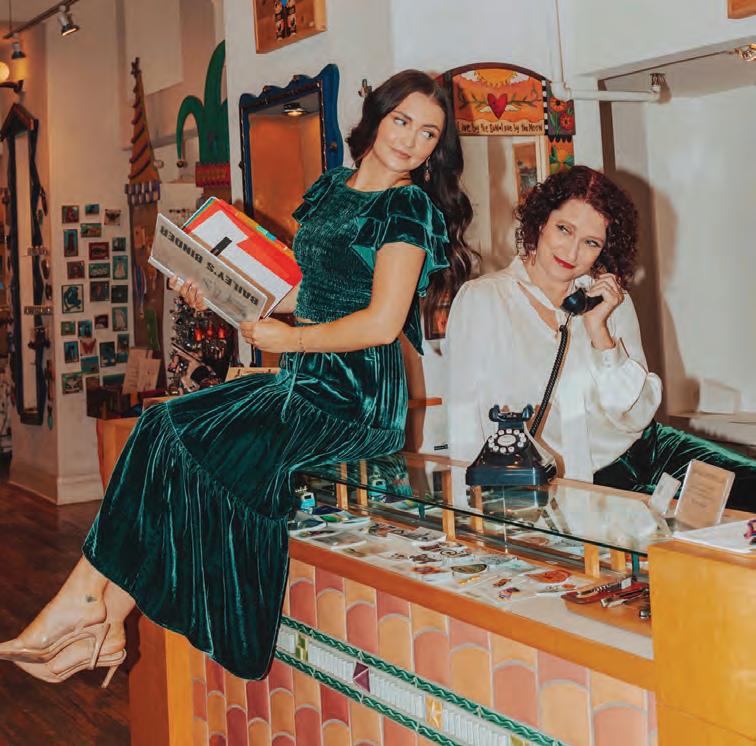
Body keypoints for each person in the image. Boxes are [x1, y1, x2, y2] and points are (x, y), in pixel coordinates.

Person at [0, 69, 474, 683]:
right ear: (377, 118)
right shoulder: (332, 188)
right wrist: (217, 292)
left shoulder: (406, 207)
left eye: (428, 133)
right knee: (161, 427)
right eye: (402, 121)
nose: (411, 140)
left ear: (436, 148)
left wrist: (288, 338)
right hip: (300, 378)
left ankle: (94, 605)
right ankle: (103, 614)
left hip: (353, 398)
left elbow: (383, 324)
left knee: (174, 432)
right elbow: (306, 294)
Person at [446, 165, 755, 512]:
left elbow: (637, 415)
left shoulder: (608, 301)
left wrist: (599, 333)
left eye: (590, 242)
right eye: (564, 229)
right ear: (541, 221)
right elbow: (464, 421)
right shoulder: (484, 300)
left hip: (649, 450)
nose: (572, 252)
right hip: (576, 483)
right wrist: (468, 517)